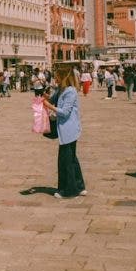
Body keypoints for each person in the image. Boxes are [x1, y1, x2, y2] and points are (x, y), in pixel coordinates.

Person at [42, 66, 87, 198]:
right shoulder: (60, 90)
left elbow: (65, 112)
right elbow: (52, 99)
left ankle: (69, 190)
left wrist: (49, 106)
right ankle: (79, 186)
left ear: (64, 77)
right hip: (65, 129)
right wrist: (47, 98)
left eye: (57, 76)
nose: (55, 79)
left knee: (65, 160)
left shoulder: (70, 91)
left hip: (69, 129)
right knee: (72, 158)